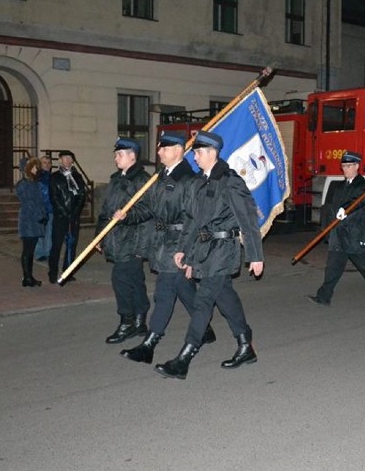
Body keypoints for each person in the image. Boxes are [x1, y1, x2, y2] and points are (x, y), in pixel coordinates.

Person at [156, 130, 264, 380]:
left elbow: (247, 219)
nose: (194, 157)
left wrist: (255, 255)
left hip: (223, 251)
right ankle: (246, 345)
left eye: (198, 152)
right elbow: (193, 221)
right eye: (195, 152)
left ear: (212, 153)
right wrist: (185, 250)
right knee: (225, 299)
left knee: (203, 301)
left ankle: (184, 358)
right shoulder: (198, 182)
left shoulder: (230, 180)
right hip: (203, 251)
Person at [120, 132, 216, 364]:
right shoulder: (160, 177)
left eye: (164, 148)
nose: (159, 152)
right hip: (162, 242)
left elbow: (194, 219)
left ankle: (150, 344)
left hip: (178, 243)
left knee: (164, 293)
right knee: (184, 289)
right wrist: (127, 215)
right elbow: (151, 210)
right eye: (160, 148)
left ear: (178, 150)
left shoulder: (189, 180)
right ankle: (204, 329)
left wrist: (187, 251)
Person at [95, 138, 153, 344]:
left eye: (119, 154)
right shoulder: (116, 179)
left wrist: (128, 216)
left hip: (133, 241)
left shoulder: (143, 180)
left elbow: (147, 209)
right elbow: (105, 210)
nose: (115, 158)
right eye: (116, 154)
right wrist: (99, 236)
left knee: (120, 280)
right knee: (134, 281)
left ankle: (127, 322)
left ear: (132, 156)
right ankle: (140, 321)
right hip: (116, 239)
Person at [306, 150, 365, 307]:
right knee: (332, 268)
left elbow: (362, 206)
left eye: (349, 165)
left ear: (357, 166)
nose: (345, 169)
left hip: (354, 235)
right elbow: (331, 208)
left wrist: (347, 212)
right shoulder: (339, 186)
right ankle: (324, 297)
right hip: (339, 235)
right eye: (344, 166)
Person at [48, 150, 86, 284]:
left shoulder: (77, 176)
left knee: (72, 245)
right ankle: (52, 272)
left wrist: (75, 212)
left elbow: (82, 194)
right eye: (65, 158)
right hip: (60, 217)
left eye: (70, 158)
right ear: (60, 160)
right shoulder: (54, 177)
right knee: (56, 245)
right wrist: (64, 213)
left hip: (74, 217)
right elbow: (54, 197)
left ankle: (68, 271)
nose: (67, 161)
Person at [15, 157, 47, 287]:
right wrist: (40, 215)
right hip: (29, 221)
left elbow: (39, 202)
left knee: (30, 251)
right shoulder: (25, 184)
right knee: (27, 250)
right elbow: (29, 204)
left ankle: (28, 277)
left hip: (33, 221)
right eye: (34, 167)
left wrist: (43, 214)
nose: (37, 169)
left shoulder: (33, 183)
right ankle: (27, 277)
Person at [34, 155, 53, 261]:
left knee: (49, 232)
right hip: (40, 209)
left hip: (50, 209)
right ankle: (40, 252)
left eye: (48, 162)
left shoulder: (52, 177)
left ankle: (47, 251)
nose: (46, 165)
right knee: (40, 232)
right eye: (44, 163)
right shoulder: (36, 177)